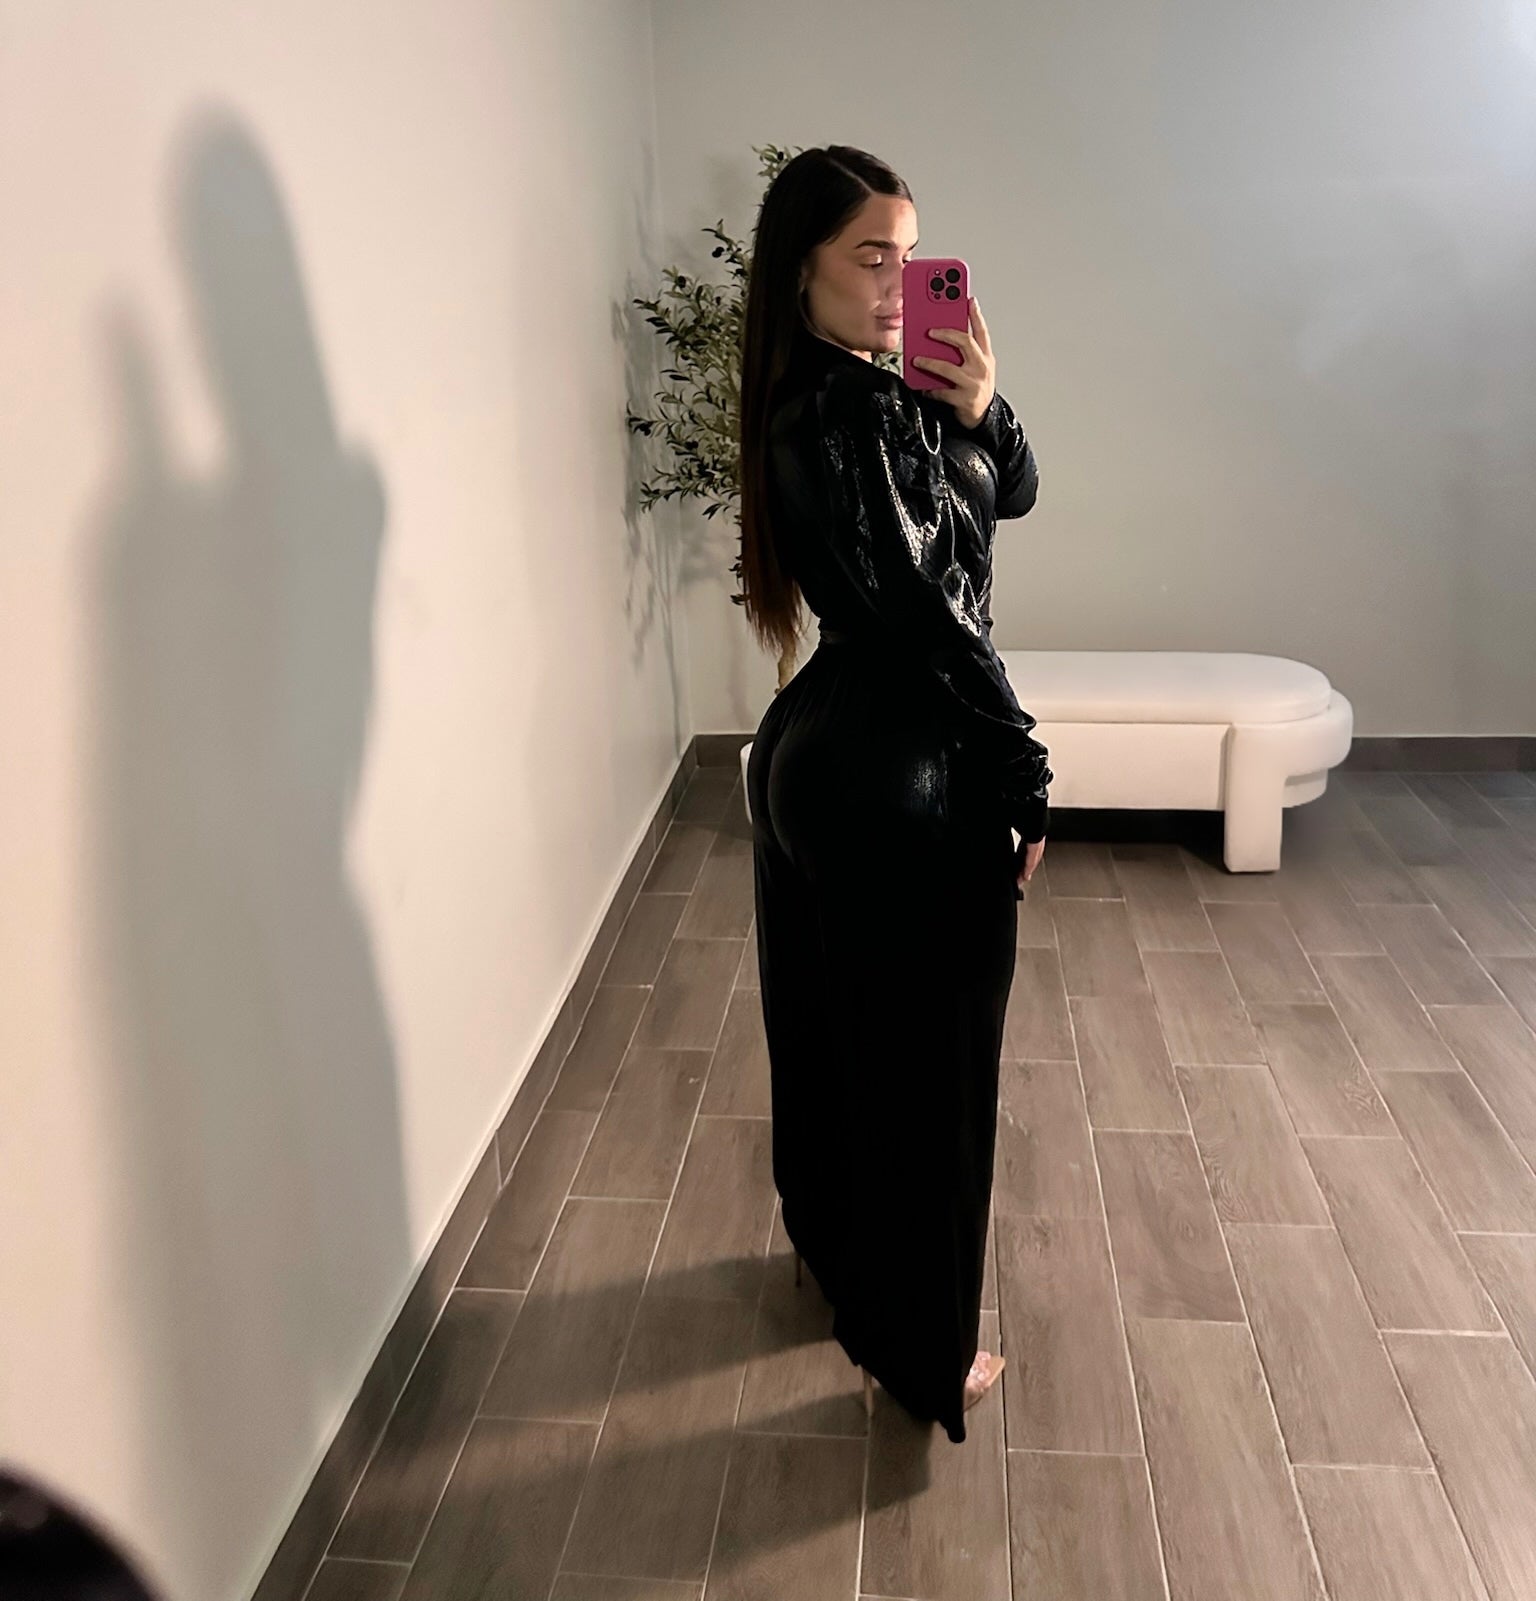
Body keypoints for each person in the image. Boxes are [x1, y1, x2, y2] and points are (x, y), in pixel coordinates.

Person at [737, 145, 1052, 1445]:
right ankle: (921, 1351)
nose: (896, 278)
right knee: (930, 1078)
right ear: (800, 267)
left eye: (909, 253)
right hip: (902, 773)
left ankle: (841, 1263)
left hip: (823, 753)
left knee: (832, 1035)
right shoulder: (849, 414)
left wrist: (984, 405)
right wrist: (1023, 771)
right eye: (870, 253)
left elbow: (1011, 496)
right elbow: (936, 618)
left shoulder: (856, 392)